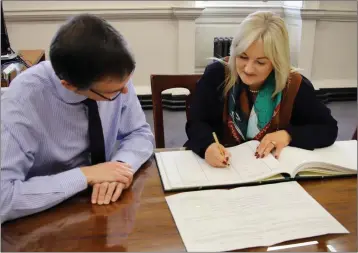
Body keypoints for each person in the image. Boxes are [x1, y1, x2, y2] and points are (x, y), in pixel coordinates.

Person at [1, 14, 154, 223]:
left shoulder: (113, 76)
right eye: (114, 92)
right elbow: (3, 198)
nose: (125, 92)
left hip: (105, 206)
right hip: (47, 217)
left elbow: (140, 133)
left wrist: (119, 167)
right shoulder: (21, 102)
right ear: (69, 85)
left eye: (127, 82)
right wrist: (85, 176)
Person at [185, 11, 338, 168]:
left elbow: (328, 129)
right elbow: (196, 122)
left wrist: (288, 135)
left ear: (277, 62)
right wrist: (207, 146)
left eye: (261, 62)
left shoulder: (293, 85)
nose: (248, 69)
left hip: (270, 172)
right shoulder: (217, 75)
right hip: (221, 169)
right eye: (243, 57)